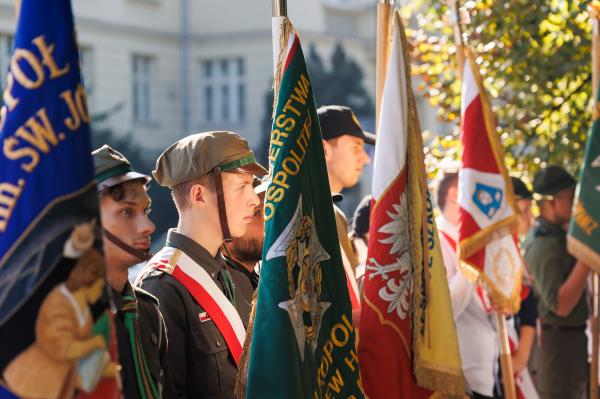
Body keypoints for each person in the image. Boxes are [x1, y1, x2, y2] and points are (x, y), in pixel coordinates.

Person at [136, 131, 267, 398]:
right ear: (198, 195)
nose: (255, 200)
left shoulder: (232, 276)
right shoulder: (163, 287)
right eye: (242, 187)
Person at [90, 145, 171, 399]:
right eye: (127, 212)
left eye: (145, 211)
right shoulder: (69, 317)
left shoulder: (147, 312)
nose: (148, 226)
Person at [3, 230, 108, 399]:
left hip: (58, 385)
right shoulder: (59, 301)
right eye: (99, 287)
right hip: (30, 380)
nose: (99, 293)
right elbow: (61, 348)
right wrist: (93, 344)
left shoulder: (86, 312)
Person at [524, 166, 590, 399]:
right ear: (550, 202)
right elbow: (560, 305)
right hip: (557, 346)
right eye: (569, 198)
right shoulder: (542, 243)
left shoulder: (558, 236)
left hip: (573, 341)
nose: (574, 204)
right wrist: (586, 258)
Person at [436, 171, 498, 399]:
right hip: (463, 372)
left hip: (489, 367)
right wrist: (470, 261)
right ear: (455, 194)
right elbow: (446, 308)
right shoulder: (438, 240)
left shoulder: (469, 240)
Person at [318, 105, 373, 312]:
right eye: (356, 147)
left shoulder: (334, 215)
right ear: (324, 149)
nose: (365, 158)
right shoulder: (303, 213)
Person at [222, 177, 267, 290]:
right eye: (256, 212)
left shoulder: (257, 282)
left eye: (268, 211)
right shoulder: (218, 289)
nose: (268, 220)